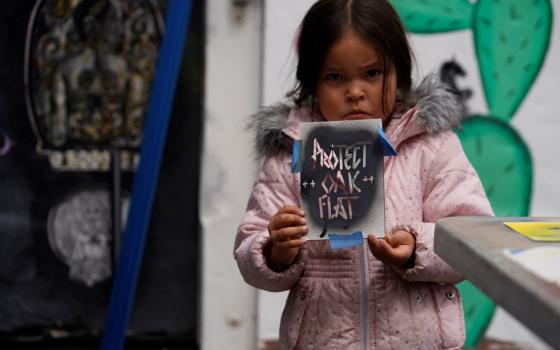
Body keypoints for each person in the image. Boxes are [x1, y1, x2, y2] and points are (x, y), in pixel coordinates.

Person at [234, 0, 493, 349]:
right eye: (335, 77)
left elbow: (472, 239)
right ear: (311, 82)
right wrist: (275, 249)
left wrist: (416, 247)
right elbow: (251, 249)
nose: (355, 91)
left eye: (372, 73)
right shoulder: (291, 153)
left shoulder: (431, 146)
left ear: (398, 73)